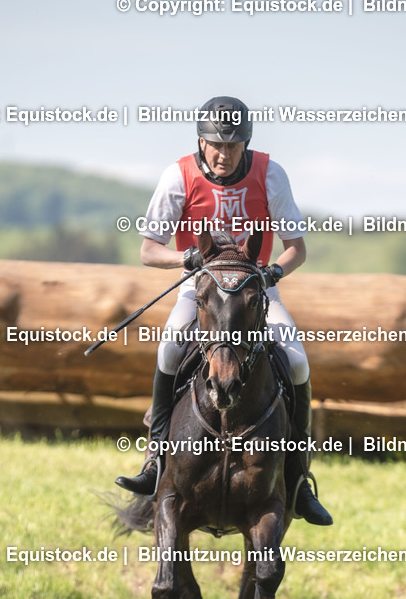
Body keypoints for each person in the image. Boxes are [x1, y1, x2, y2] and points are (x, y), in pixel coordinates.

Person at [116, 95, 332, 526]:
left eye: (233, 146)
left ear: (246, 144)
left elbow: (297, 250)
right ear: (201, 140)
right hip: (201, 295)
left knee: (298, 362)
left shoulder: (271, 174)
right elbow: (147, 250)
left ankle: (299, 478)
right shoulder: (177, 176)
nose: (223, 154)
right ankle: (156, 459)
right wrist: (185, 260)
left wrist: (271, 274)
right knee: (169, 351)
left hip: (255, 294)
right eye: (216, 144)